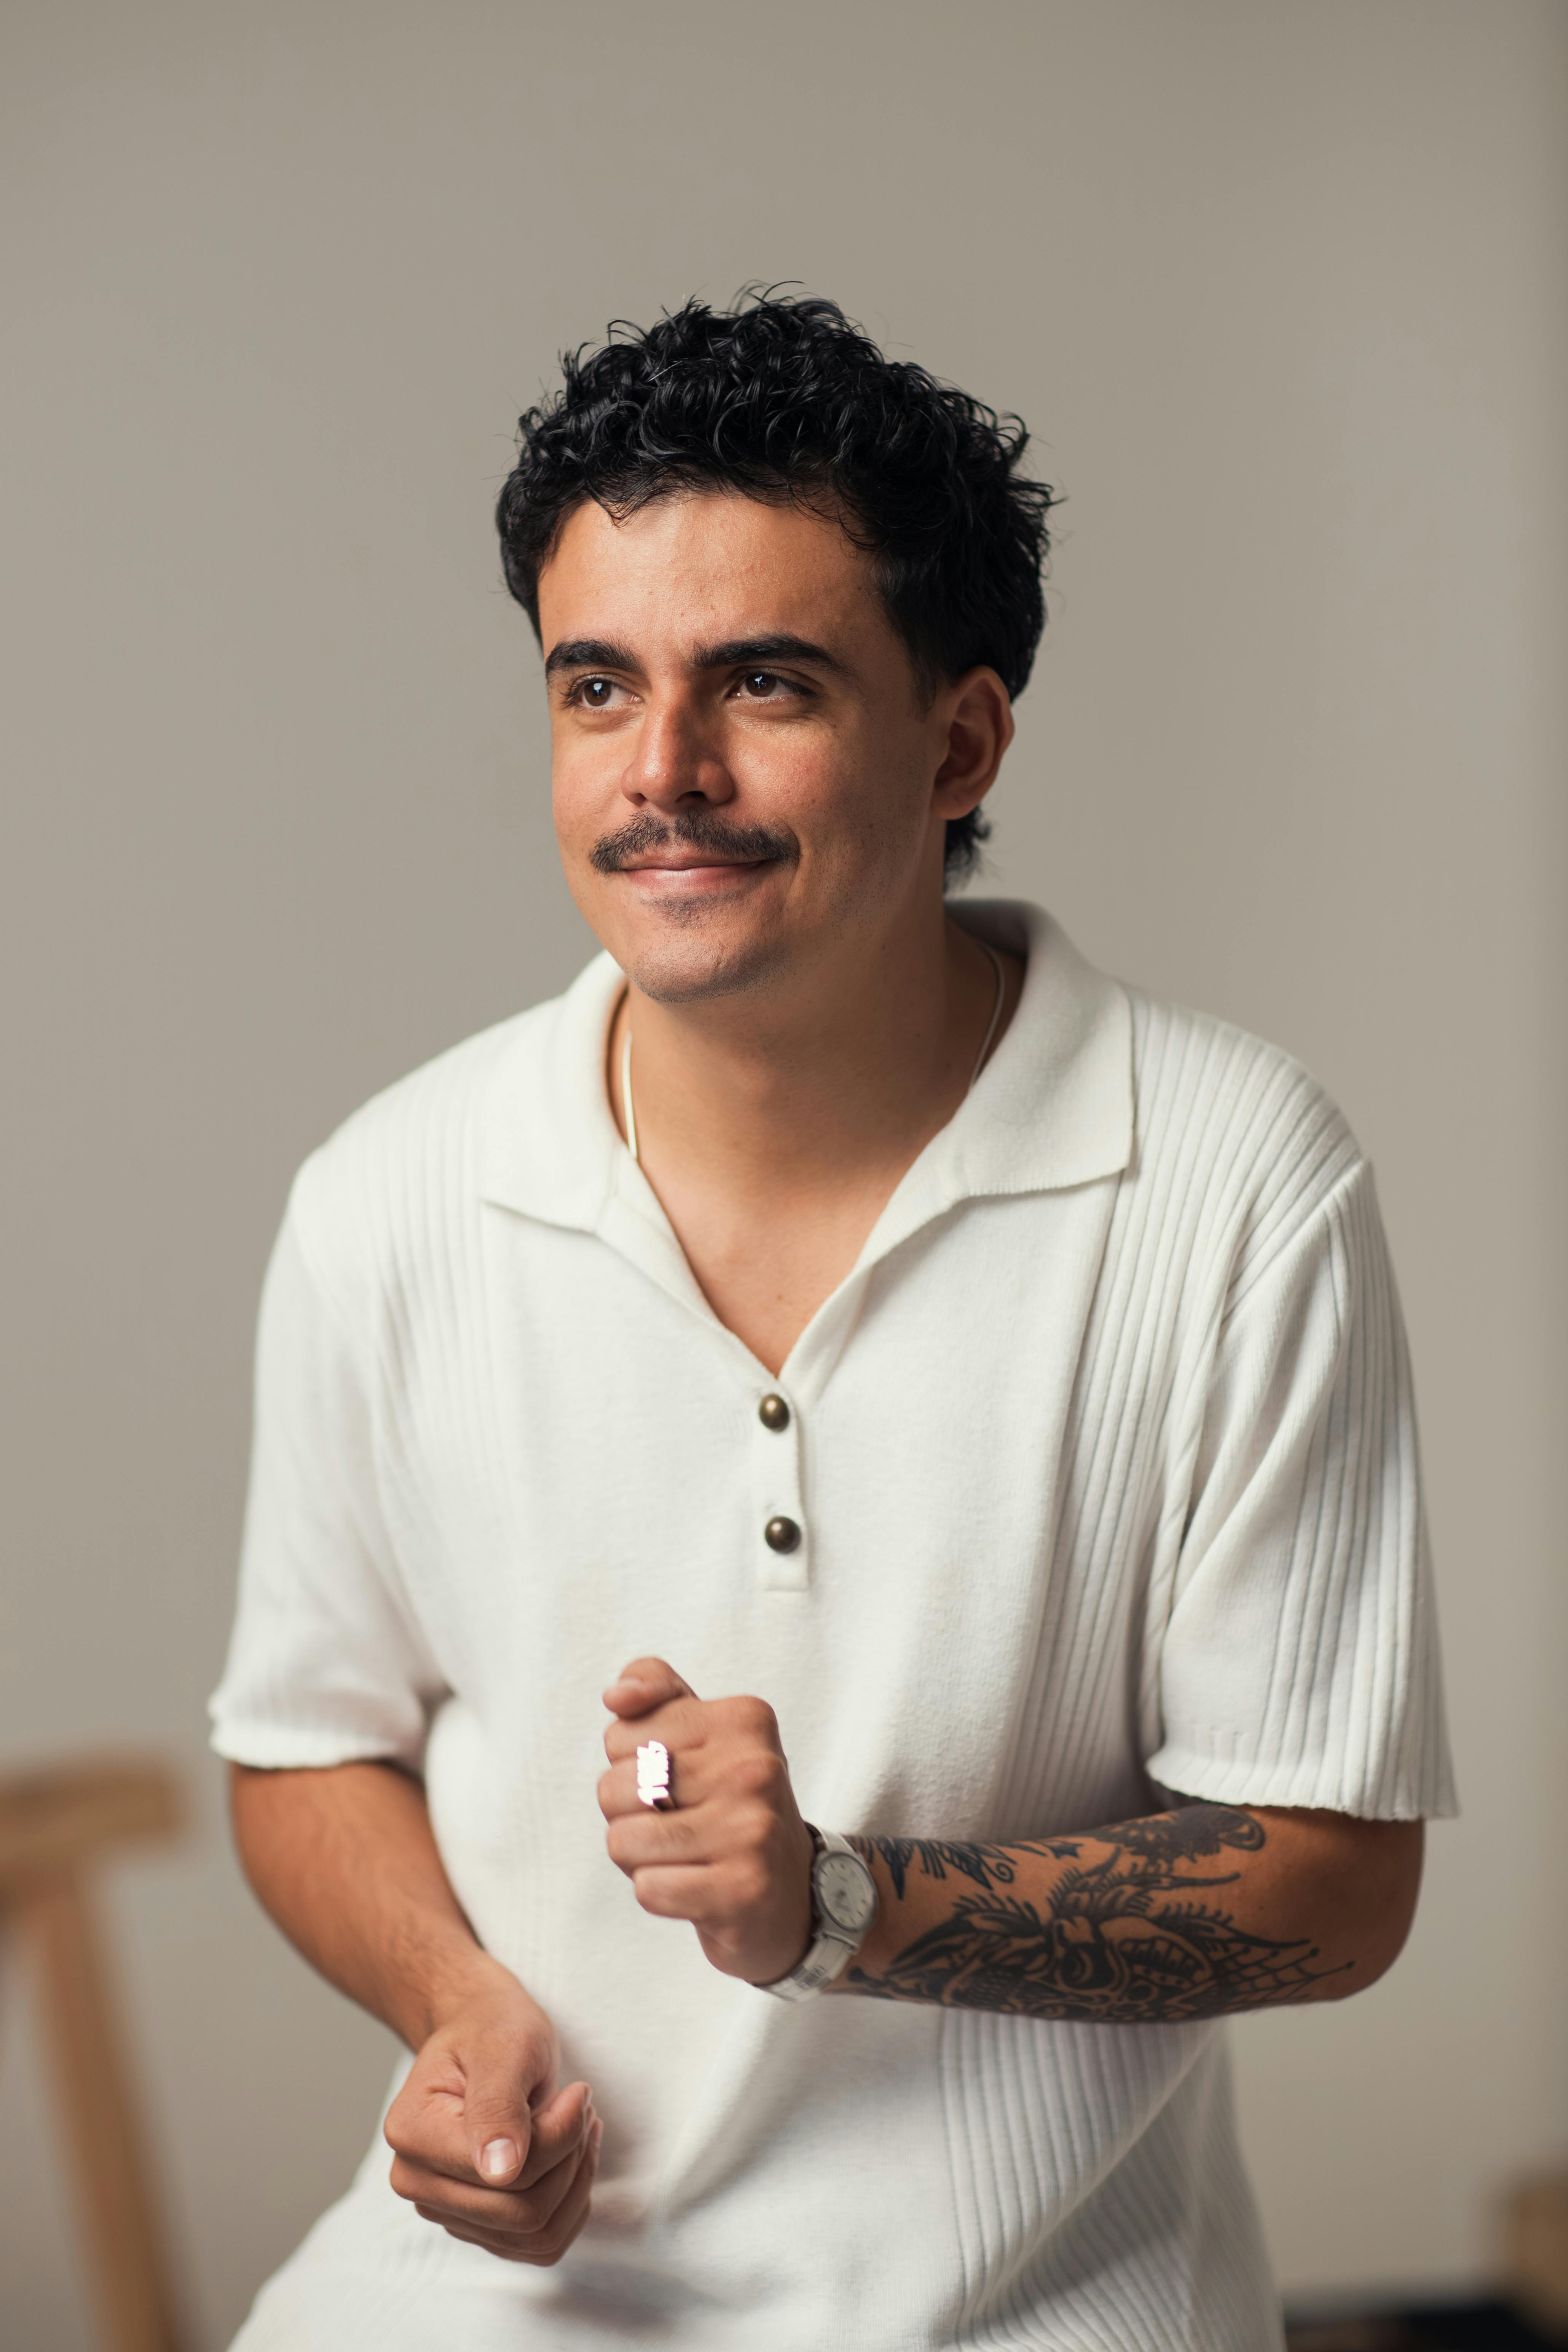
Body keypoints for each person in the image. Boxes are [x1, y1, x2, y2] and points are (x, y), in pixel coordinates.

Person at [210, 292, 1455, 2352]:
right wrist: (459, 2011)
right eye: (594, 686)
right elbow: (305, 1744)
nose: (661, 774)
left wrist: (838, 1901)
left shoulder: (1236, 1174)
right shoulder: (389, 1196)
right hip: (499, 2288)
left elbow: (1335, 1881)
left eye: (759, 683)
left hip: (1042, 2297)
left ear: (958, 739)